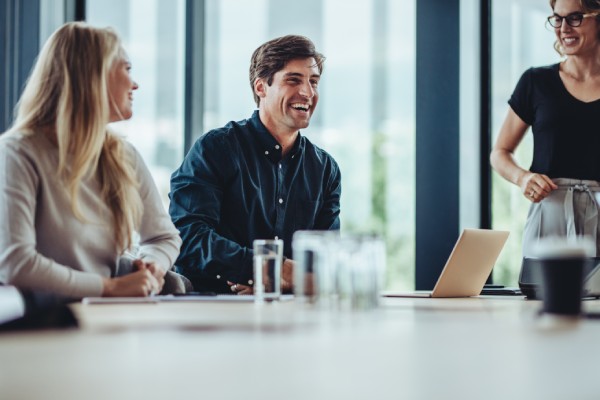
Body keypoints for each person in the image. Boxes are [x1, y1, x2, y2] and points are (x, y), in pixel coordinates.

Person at [0, 22, 182, 299]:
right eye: (127, 68)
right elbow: (16, 263)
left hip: (105, 317)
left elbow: (163, 237)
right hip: (43, 326)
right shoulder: (18, 152)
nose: (135, 84)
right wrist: (109, 288)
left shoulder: (124, 155)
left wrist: (152, 266)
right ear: (95, 76)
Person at [169, 35, 341, 295]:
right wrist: (263, 270)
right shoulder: (216, 149)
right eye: (293, 80)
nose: (308, 92)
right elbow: (187, 236)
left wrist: (276, 282)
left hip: (290, 318)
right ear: (261, 87)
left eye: (313, 82)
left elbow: (326, 262)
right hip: (209, 312)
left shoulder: (326, 170)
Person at [490, 0, 600, 260]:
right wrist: (523, 178)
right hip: (549, 217)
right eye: (557, 19)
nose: (563, 28)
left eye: (575, 17)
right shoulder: (536, 82)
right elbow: (500, 152)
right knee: (543, 297)